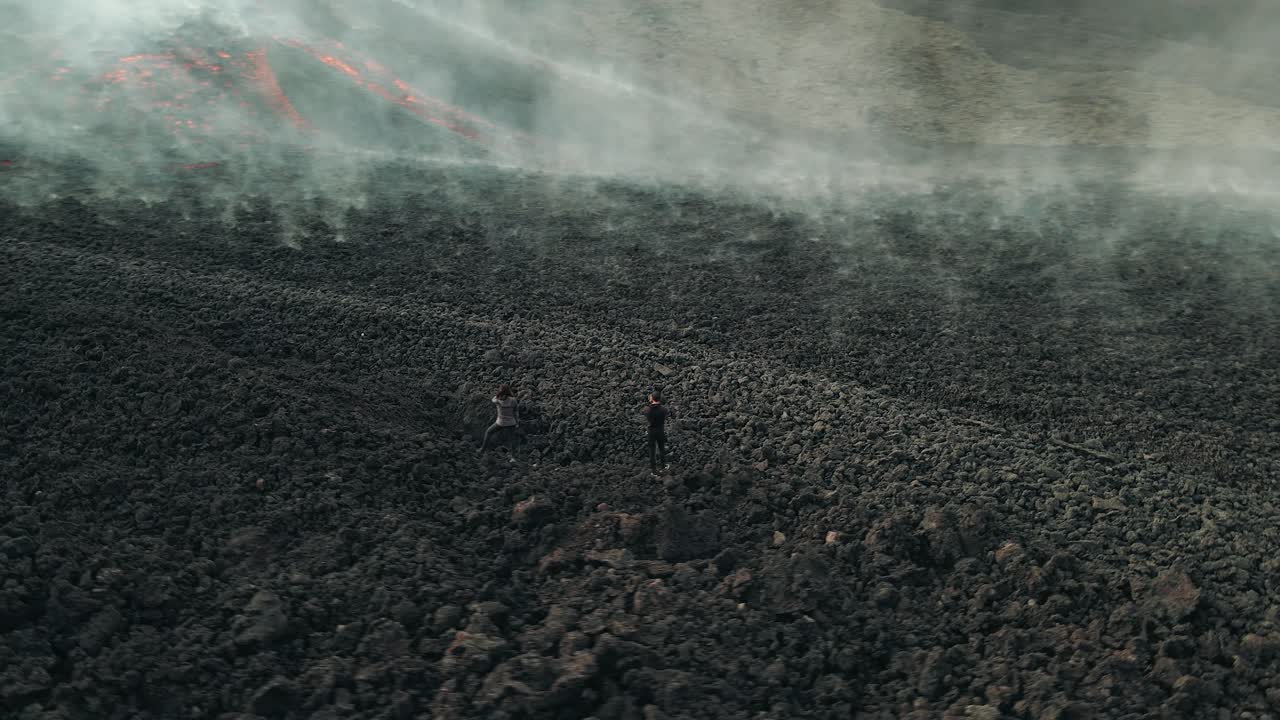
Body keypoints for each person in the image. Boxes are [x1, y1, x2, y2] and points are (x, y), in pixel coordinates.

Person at [480, 384, 519, 456]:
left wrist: (498, 395)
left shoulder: (497, 401)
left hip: (500, 423)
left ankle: (482, 450)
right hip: (511, 423)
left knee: (488, 432)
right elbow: (516, 412)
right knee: (512, 439)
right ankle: (513, 457)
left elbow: (493, 399)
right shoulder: (513, 400)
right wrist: (517, 422)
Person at [643, 391, 673, 475]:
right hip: (660, 430)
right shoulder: (664, 410)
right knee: (661, 448)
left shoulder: (647, 409)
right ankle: (663, 466)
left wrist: (650, 402)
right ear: (660, 398)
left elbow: (647, 413)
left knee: (652, 451)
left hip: (651, 431)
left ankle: (654, 470)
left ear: (651, 398)